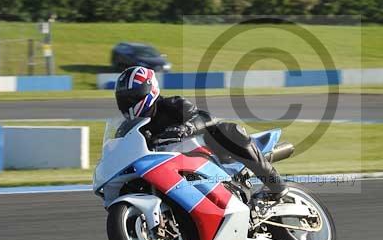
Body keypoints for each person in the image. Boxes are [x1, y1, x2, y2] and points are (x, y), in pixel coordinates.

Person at [114, 66, 288, 200]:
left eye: (132, 96)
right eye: (124, 99)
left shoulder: (171, 105)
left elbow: (203, 117)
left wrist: (186, 127)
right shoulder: (132, 128)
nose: (128, 102)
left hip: (206, 156)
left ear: (149, 90)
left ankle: (277, 186)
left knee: (228, 131)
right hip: (169, 170)